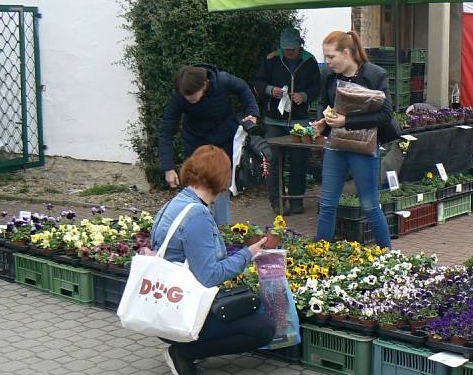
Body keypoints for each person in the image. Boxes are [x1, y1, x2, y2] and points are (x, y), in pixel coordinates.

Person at [151, 146, 274, 375]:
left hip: (163, 304)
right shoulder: (197, 216)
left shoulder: (177, 203)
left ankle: (191, 345)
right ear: (221, 179)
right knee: (263, 328)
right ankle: (183, 353)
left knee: (247, 307)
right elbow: (209, 277)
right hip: (181, 313)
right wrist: (248, 254)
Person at [311, 31, 392, 248]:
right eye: (325, 57)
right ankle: (319, 257)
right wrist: (322, 120)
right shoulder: (329, 76)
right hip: (335, 147)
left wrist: (347, 121)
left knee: (369, 206)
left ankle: (389, 255)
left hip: (364, 148)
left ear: (346, 53)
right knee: (327, 205)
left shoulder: (375, 75)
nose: (327, 62)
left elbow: (385, 115)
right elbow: (322, 102)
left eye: (331, 56)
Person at [159, 64, 259, 225]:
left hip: (224, 142)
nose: (188, 100)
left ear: (204, 85)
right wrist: (168, 167)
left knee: (221, 189)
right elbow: (167, 130)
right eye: (185, 97)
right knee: (195, 190)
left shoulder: (222, 80)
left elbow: (243, 89)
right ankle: (196, 226)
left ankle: (222, 231)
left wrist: (252, 113)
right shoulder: (180, 95)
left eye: (192, 96)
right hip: (195, 145)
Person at [254, 27, 321, 215]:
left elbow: (317, 87)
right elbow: (258, 83)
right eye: (286, 49)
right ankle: (277, 202)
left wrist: (305, 96)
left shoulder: (310, 61)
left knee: (299, 162)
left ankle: (296, 201)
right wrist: (269, 90)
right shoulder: (271, 60)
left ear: (300, 46)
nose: (289, 53)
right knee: (273, 161)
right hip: (274, 121)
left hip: (299, 122)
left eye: (292, 49)